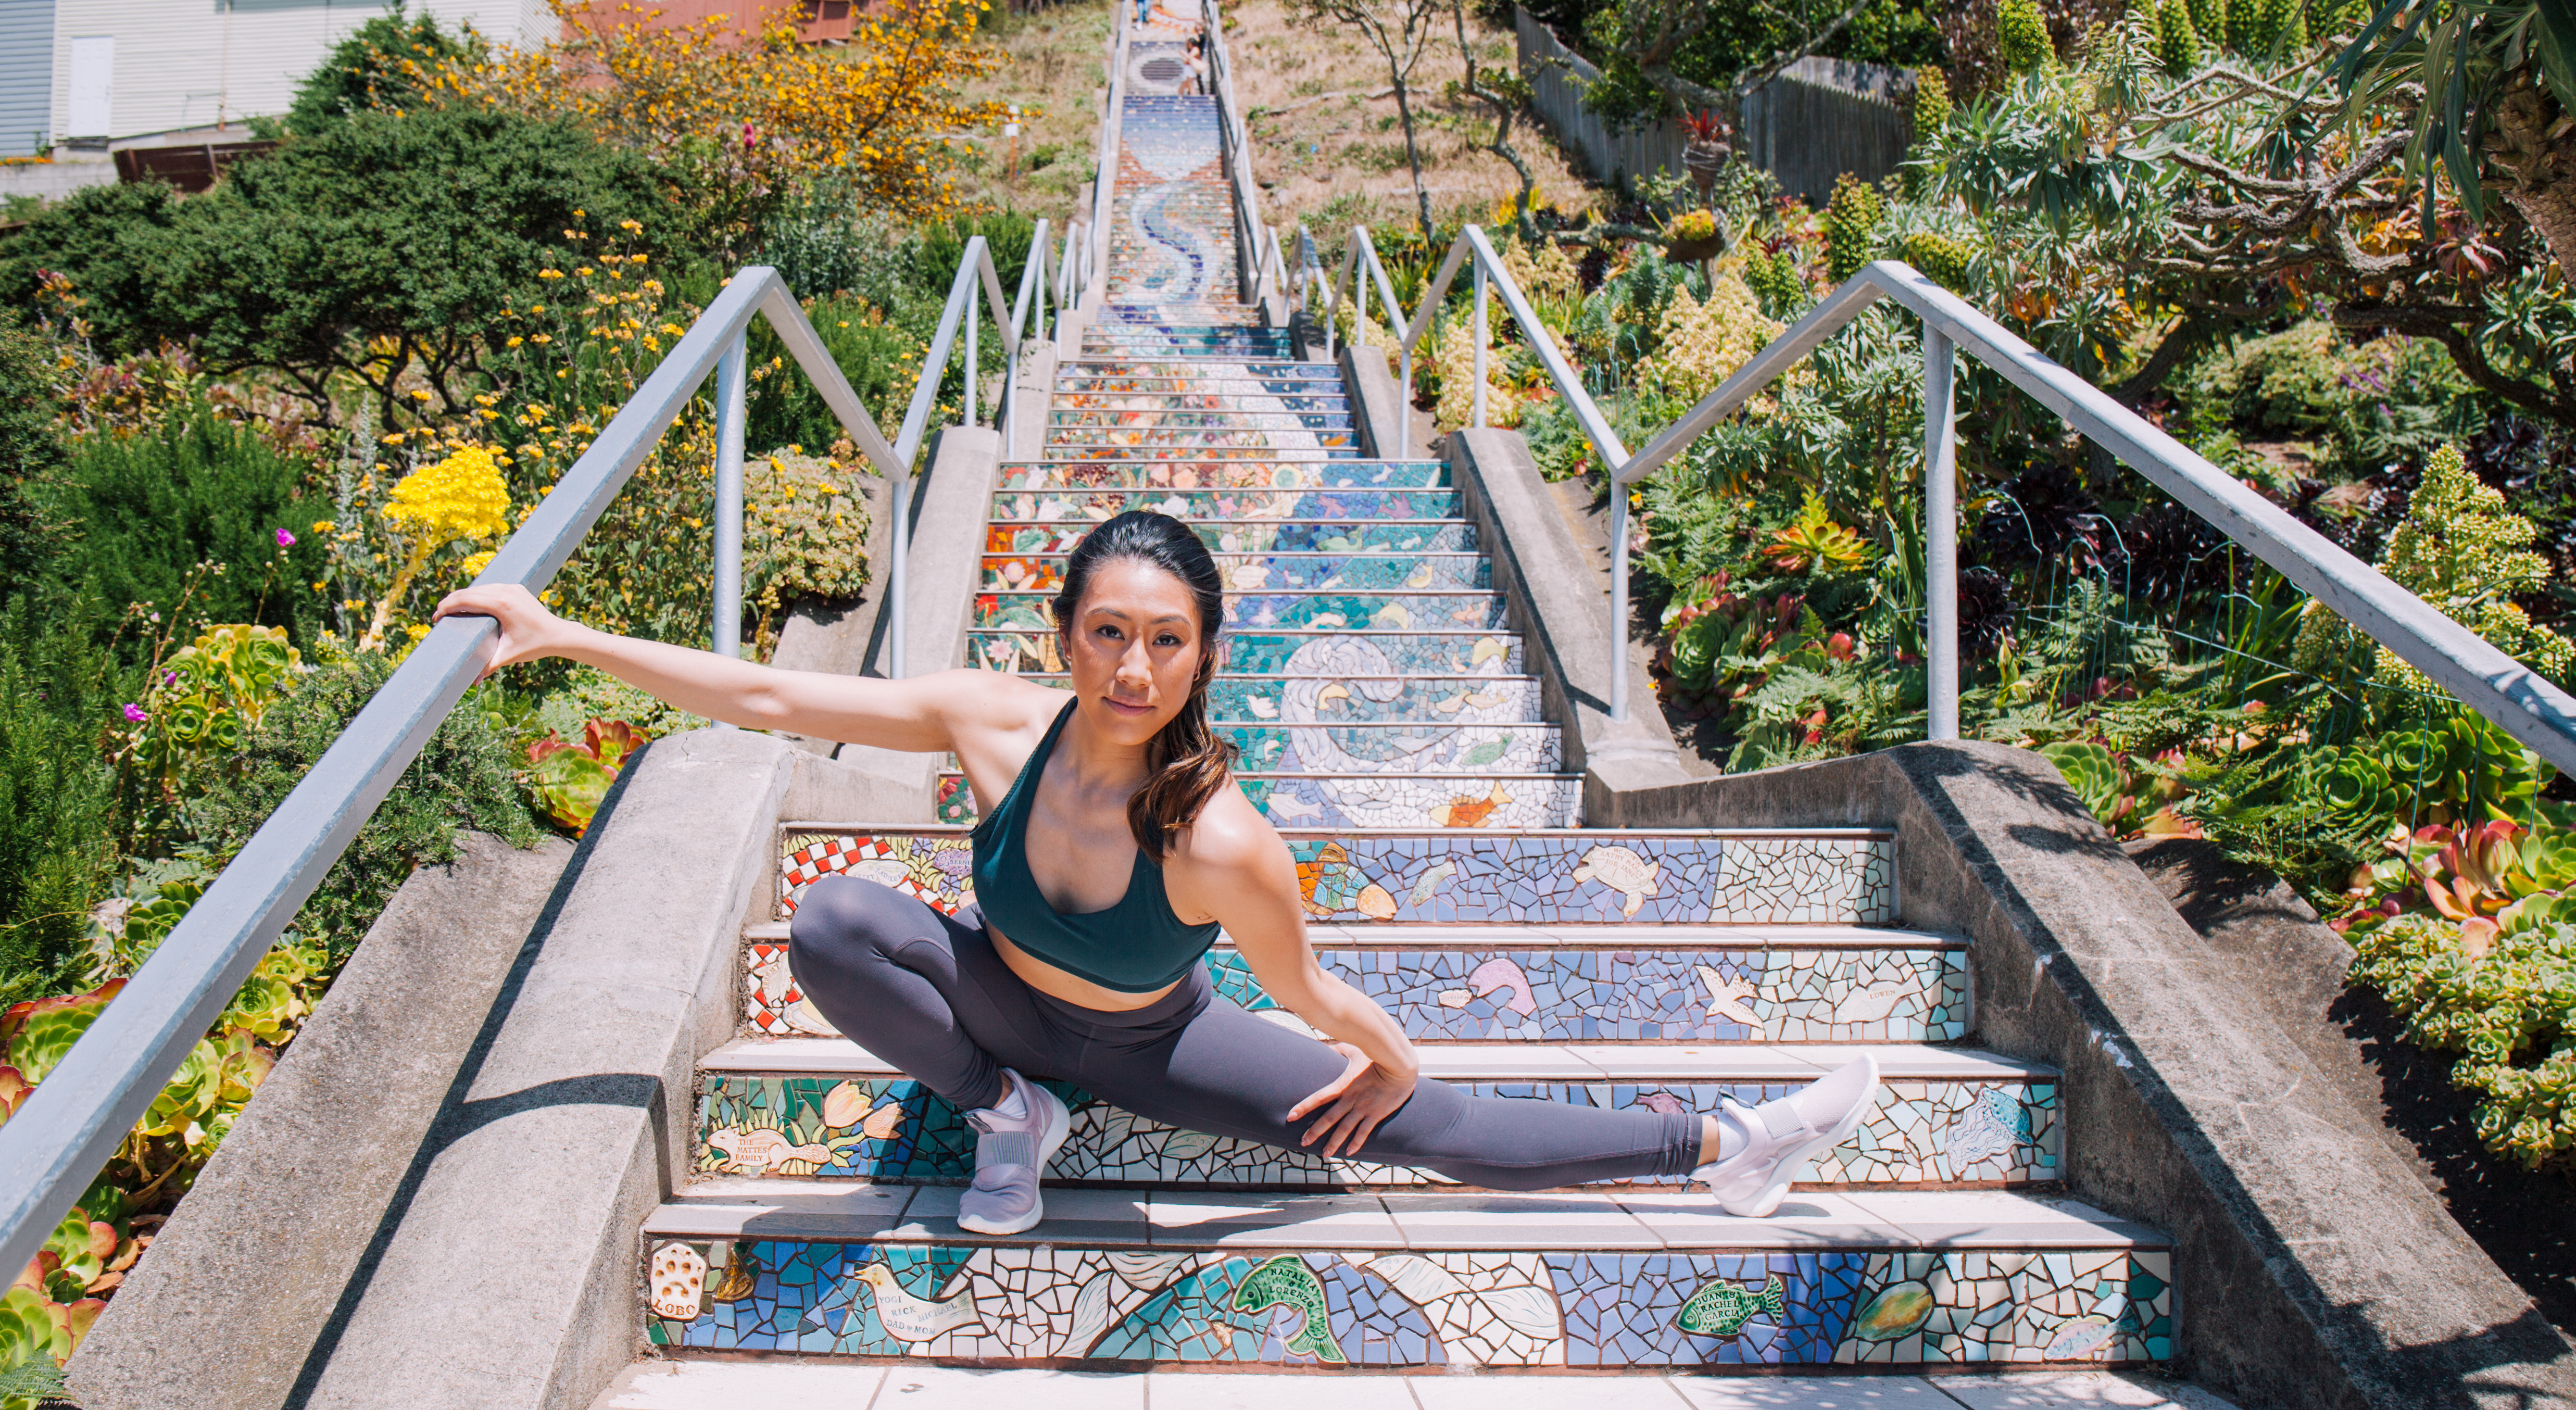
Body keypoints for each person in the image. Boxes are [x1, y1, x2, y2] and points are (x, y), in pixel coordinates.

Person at [435, 512, 1876, 1236]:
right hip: (1002, 1014)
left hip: (1160, 1041)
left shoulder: (1221, 837)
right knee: (832, 922)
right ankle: (1010, 1114)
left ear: (1204, 651)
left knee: (1425, 1129)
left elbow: (1306, 986)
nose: (1134, 669)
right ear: (1060, 632)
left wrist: (1384, 1055)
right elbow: (766, 699)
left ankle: (1722, 1142)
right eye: (1107, 632)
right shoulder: (988, 724)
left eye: (1167, 640)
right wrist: (561, 634)